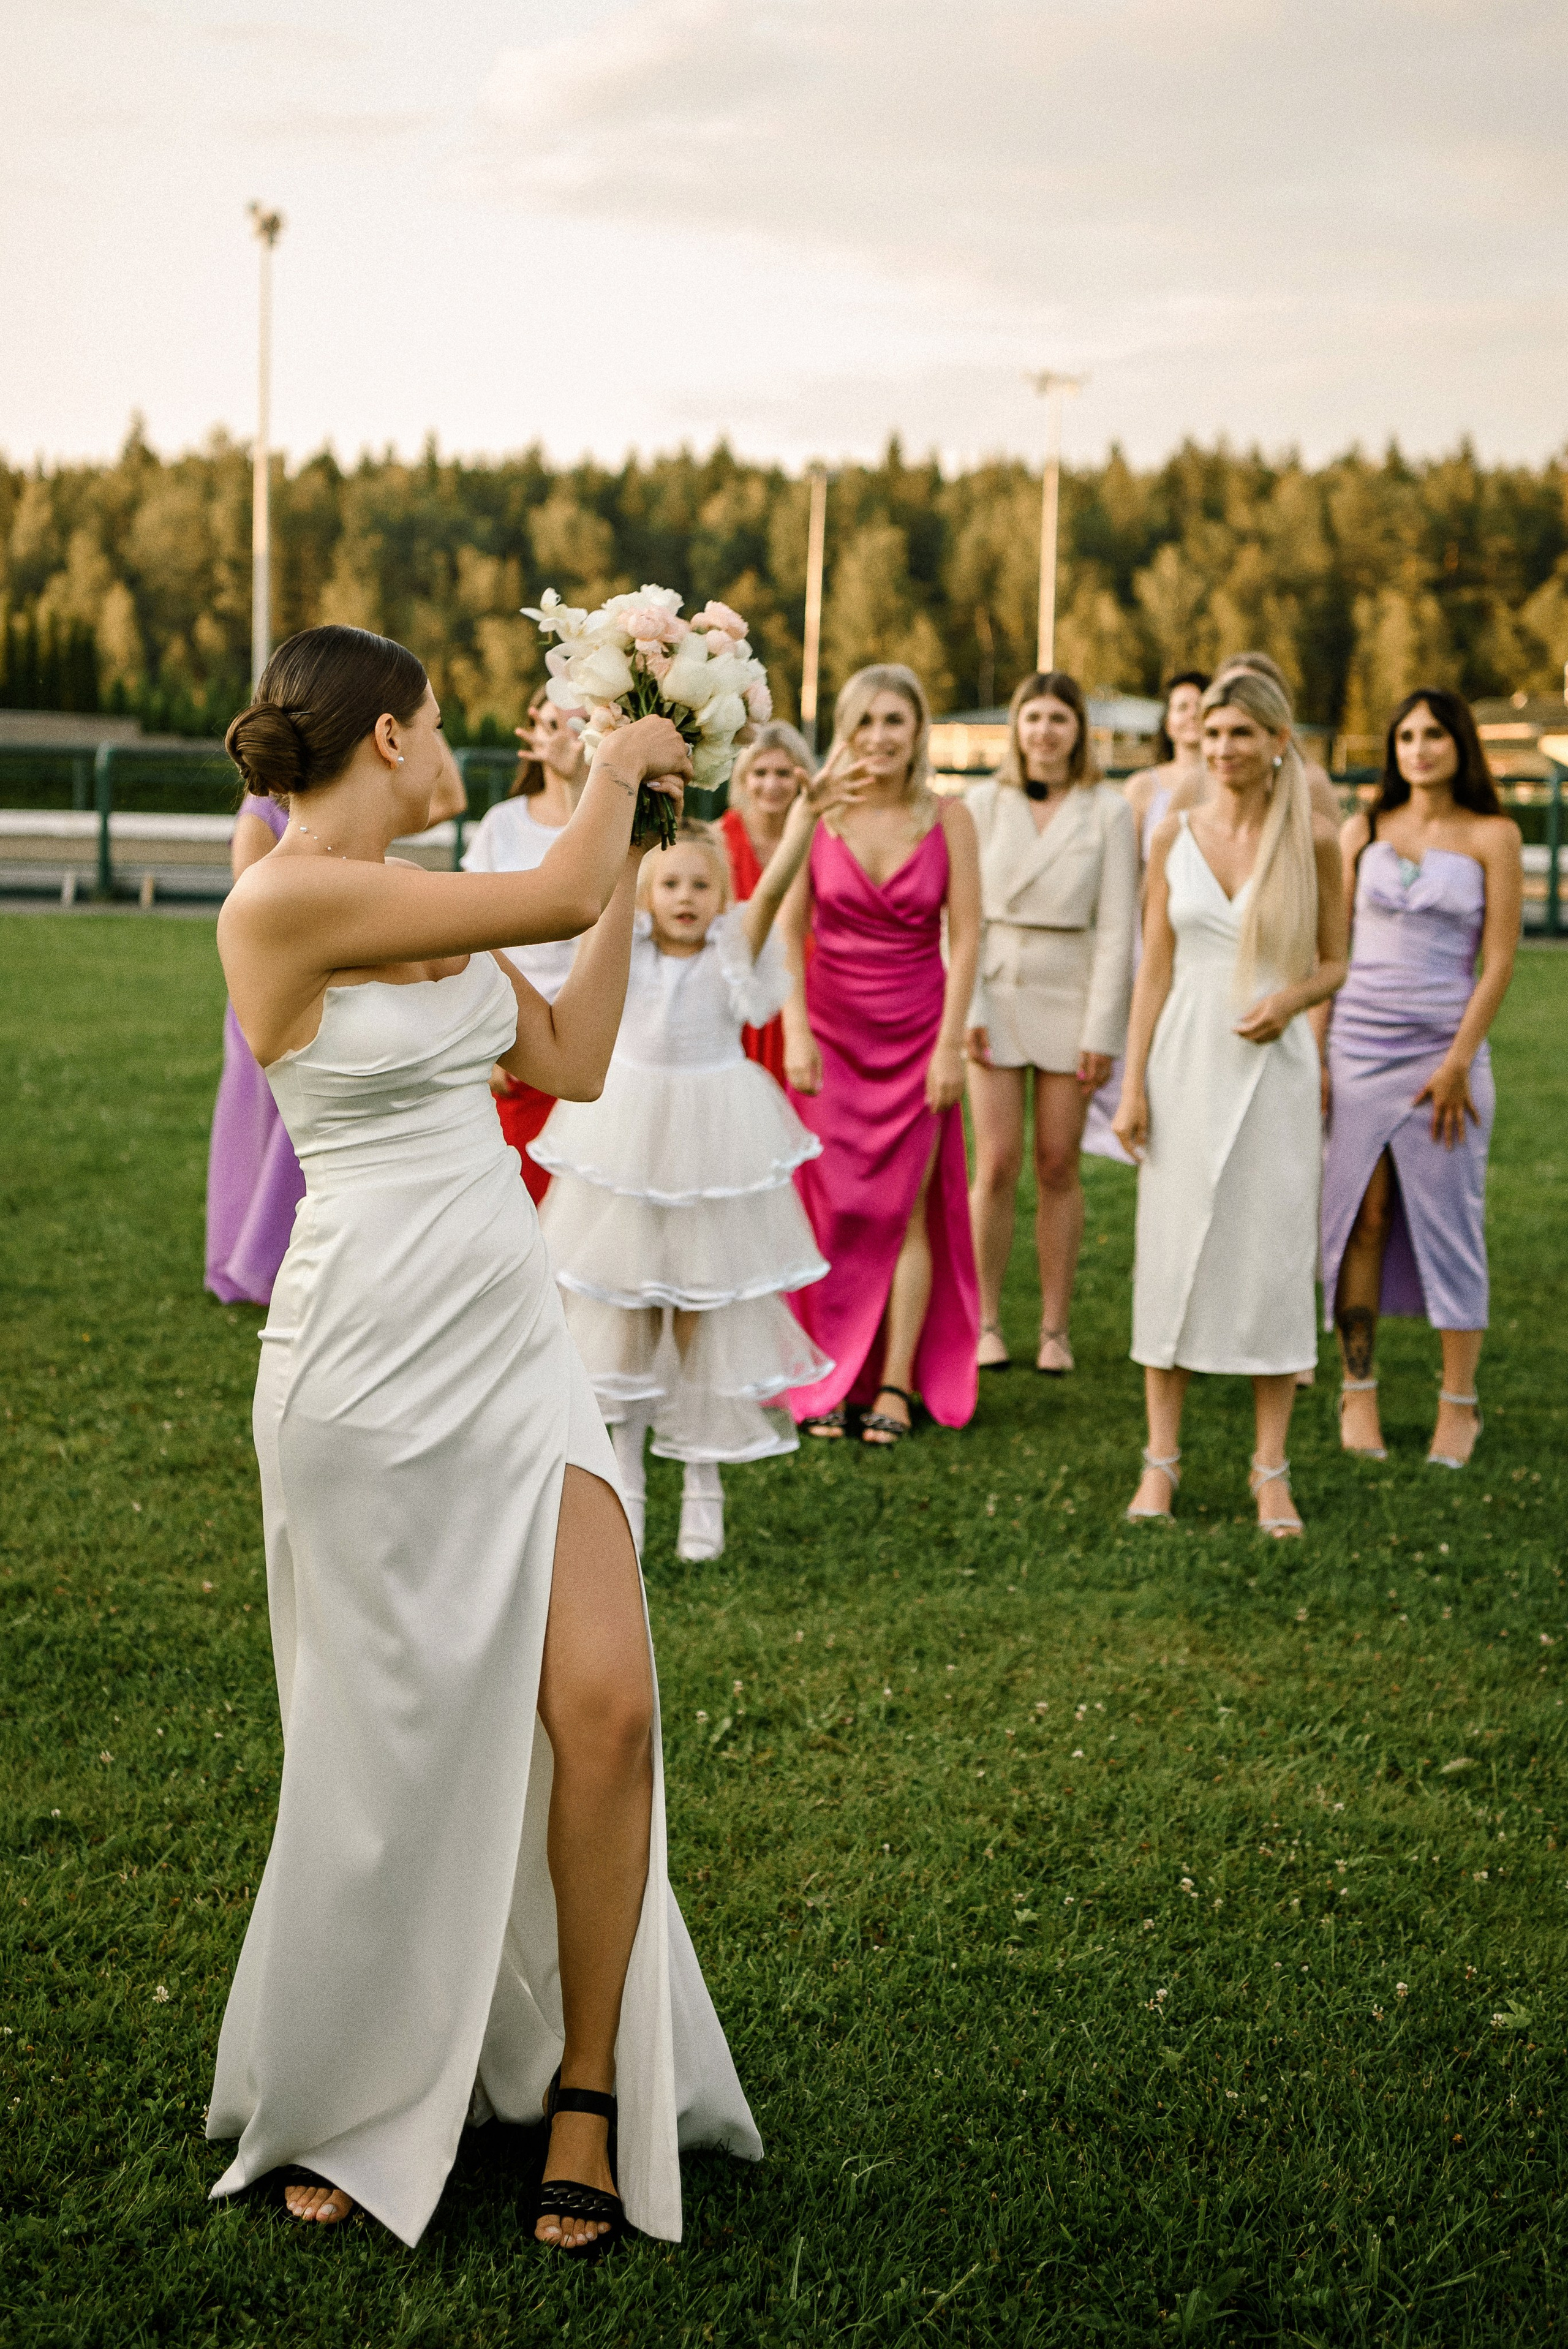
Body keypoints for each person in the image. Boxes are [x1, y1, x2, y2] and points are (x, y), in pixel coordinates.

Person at [205, 624, 760, 2258]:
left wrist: (639, 827)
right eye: (440, 720)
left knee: (608, 1703)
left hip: (514, 1344)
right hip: (364, 1365)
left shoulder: (446, 911)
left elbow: (572, 1057)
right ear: (385, 739)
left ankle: (584, 2086)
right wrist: (627, 754)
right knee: (383, 1744)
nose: (456, 744)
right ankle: (366, 2083)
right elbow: (558, 888)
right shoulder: (286, 896)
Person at [532, 794, 845, 1561]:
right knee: (630, 1303)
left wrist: (802, 825)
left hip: (713, 1135)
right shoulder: (626, 945)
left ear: (722, 895)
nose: (684, 899)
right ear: (646, 891)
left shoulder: (733, 952)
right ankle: (629, 1474)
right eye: (670, 884)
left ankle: (703, 1476)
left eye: (701, 886)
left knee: (701, 1304)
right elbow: (601, 882)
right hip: (628, 1138)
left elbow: (770, 897)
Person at [1114, 667, 1348, 1535]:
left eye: (1241, 733)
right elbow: (1154, 969)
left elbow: (1335, 961)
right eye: (1213, 733)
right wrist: (1132, 1086)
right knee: (1172, 1253)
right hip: (1182, 1060)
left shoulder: (1315, 839)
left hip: (1273, 1067)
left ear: (1278, 741)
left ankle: (1271, 1467)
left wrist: (1287, 1001)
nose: (1223, 749)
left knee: (1271, 1259)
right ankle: (1161, 1461)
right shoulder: (1173, 832)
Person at [1318, 688, 1521, 1469]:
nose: (1418, 748)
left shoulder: (1493, 836)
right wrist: (1321, 1056)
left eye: (1433, 734)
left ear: (1459, 744)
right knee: (1359, 1222)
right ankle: (1357, 1394)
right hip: (1357, 1049)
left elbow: (1499, 959)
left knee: (1449, 1225)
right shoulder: (1361, 831)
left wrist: (1458, 1060)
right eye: (1404, 736)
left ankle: (1458, 1406)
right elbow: (1330, 953)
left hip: (1446, 1053)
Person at [780, 663, 982, 1444]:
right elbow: (788, 932)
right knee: (828, 1210)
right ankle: (823, 1375)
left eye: (894, 720)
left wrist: (951, 1047)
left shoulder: (950, 817)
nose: (879, 736)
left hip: (917, 1033)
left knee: (906, 1216)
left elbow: (966, 939)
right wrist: (794, 1028)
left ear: (918, 731)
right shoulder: (820, 811)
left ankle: (894, 1382)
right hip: (829, 1032)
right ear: (845, 730)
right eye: (865, 721)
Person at [205, 753, 467, 1302]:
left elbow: (453, 801)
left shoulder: (358, 814)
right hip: (286, 994)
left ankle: (293, 1256)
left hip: (342, 988)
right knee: (262, 1129)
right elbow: (255, 910)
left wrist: (427, 724)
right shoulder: (263, 813)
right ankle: (249, 1259)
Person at [965, 670, 1138, 1373]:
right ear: (1016, 727)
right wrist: (968, 1005)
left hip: (1073, 994)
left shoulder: (1110, 809)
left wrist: (1103, 1028)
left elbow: (1118, 927)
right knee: (998, 1160)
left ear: (1078, 731)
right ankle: (984, 1321)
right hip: (995, 988)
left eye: (1058, 718)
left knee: (1059, 1163)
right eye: (1032, 717)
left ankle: (1056, 1329)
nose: (1044, 731)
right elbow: (962, 913)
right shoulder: (981, 802)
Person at [461, 688, 590, 1204]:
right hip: (517, 1037)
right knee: (519, 1199)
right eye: (554, 724)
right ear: (533, 732)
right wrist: (487, 1043)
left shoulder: (613, 825)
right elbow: (474, 934)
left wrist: (581, 784)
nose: (567, 740)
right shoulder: (503, 823)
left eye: (579, 727)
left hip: (595, 1031)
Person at [1081, 671, 1210, 1168]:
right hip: (1150, 929)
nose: (1192, 715)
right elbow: (1124, 870)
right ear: (1169, 722)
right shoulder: (1143, 787)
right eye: (1181, 706)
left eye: (1201, 704)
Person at [718, 720, 815, 1084]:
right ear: (743, 778)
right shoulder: (718, 842)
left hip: (810, 999)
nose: (772, 785)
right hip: (739, 1002)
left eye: (784, 774)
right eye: (760, 773)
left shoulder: (821, 840)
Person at [1170, 650, 1343, 827]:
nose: (1236, 699)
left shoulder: (1309, 783)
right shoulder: (1195, 783)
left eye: (1252, 691)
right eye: (1230, 688)